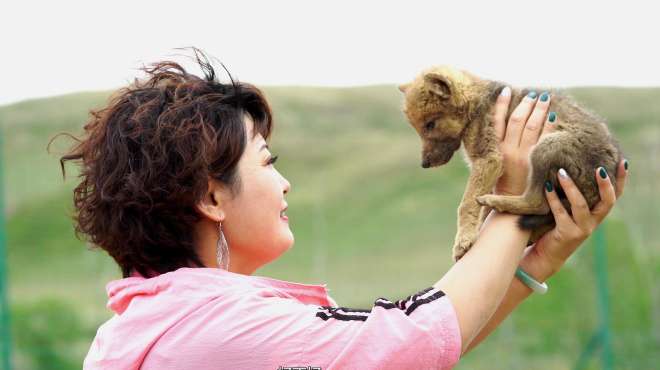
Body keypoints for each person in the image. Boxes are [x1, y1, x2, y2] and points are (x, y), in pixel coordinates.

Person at [63, 51, 627, 369]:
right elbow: (407, 340)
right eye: (267, 161)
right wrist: (514, 202)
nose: (285, 184)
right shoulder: (221, 332)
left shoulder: (144, 329)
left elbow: (394, 357)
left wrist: (533, 261)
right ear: (211, 197)